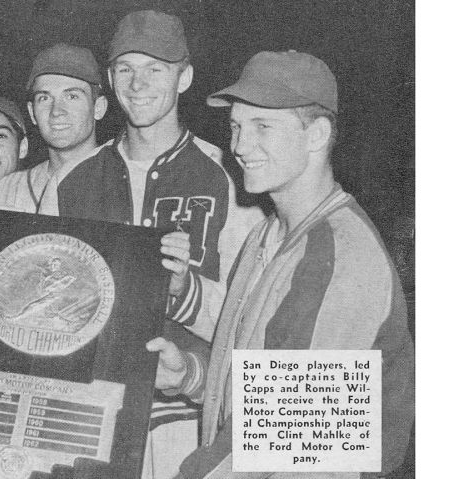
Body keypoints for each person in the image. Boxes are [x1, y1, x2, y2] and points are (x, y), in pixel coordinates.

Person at [148, 50, 415, 478]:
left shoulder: (334, 258)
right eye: (235, 125)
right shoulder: (268, 235)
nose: (239, 145)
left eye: (262, 126)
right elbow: (268, 398)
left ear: (317, 134)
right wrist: (190, 378)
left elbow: (280, 443)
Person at [48, 10, 265, 478]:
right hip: (92, 416)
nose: (138, 83)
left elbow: (252, 321)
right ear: (109, 78)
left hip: (187, 417)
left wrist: (186, 294)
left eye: (155, 69)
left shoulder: (231, 176)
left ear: (184, 77)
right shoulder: (71, 182)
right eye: (125, 69)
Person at [0, 43, 108, 213]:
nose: (56, 111)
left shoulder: (125, 179)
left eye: (72, 96)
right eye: (44, 98)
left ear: (98, 107)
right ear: (32, 112)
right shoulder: (9, 189)